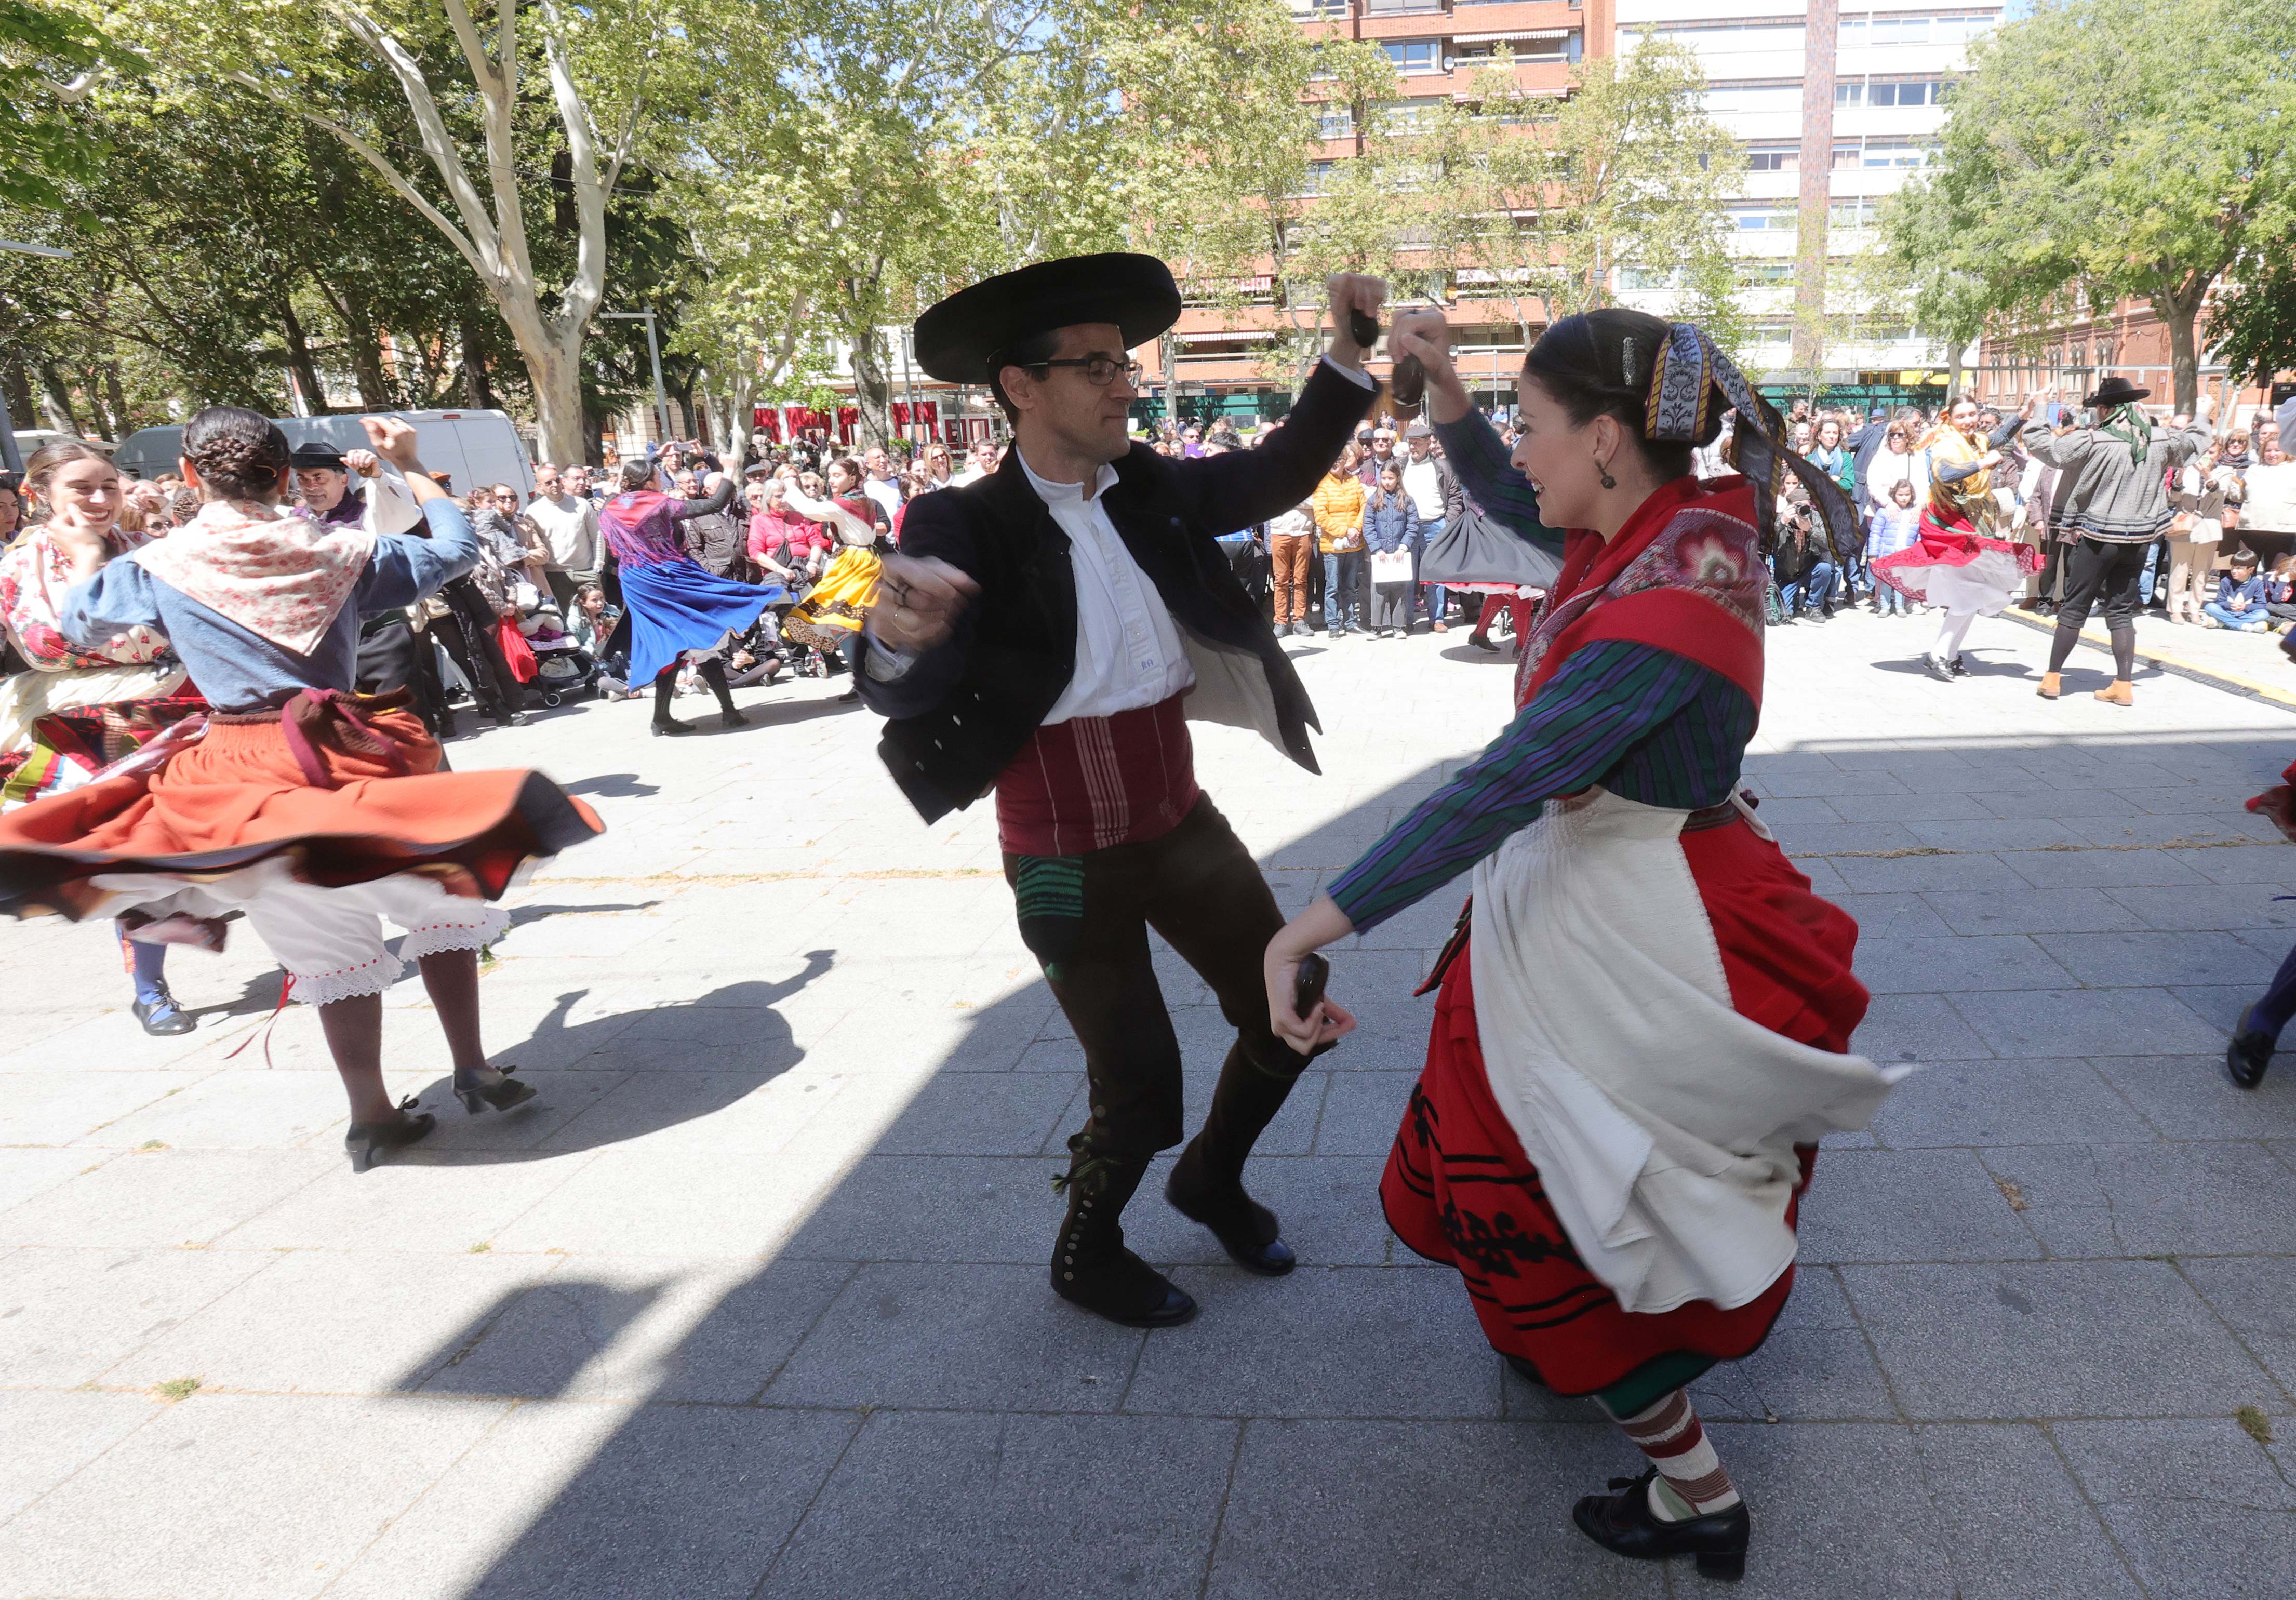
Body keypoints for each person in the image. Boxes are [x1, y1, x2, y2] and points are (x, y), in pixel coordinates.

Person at [1261, 306, 1895, 1582]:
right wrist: (1445, 390)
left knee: (1561, 1191)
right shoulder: (1684, 522)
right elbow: (1511, 490)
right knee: (1574, 1174)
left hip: (1637, 911)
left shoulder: (1659, 610)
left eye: (1534, 425)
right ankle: (1584, 1369)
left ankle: (1696, 1495)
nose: (1518, 451)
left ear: (1606, 438)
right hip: (1631, 877)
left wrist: (1304, 929)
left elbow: (1499, 785)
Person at [857, 254, 1382, 1329]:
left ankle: (1210, 1181)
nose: (1123, 384)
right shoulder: (962, 523)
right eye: (1093, 367)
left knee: (1291, 1000)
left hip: (1178, 819)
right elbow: (893, 679)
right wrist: (895, 637)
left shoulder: (1147, 487)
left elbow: (1278, 469)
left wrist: (1349, 346)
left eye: (1123, 362)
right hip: (1056, 852)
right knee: (1138, 1084)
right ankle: (1085, 1251)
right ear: (1019, 386)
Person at [0, 410, 602, 1169]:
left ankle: (372, 1115)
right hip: (349, 749)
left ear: (191, 477)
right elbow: (453, 551)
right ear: (284, 475)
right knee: (443, 893)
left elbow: (79, 625)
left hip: (237, 770)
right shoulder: (342, 549)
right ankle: (474, 1067)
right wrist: (413, 466)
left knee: (323, 942)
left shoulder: (159, 563)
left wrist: (88, 549)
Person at [0, 439, 208, 1035]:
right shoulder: (22, 563)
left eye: (109, 487)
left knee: (183, 849)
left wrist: (131, 637)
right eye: (82, 488)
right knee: (131, 858)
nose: (99, 499)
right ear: (40, 495)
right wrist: (107, 589)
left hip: (173, 717)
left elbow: (179, 624)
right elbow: (48, 643)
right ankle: (151, 988)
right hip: (89, 734)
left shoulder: (147, 548)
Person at [2023, 378, 2212, 705]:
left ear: (2104, 409)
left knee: (2074, 607)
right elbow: (2196, 443)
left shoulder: (2093, 440)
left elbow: (2047, 449)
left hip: (2096, 539)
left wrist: (2041, 407)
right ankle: (2124, 685)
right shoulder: (2162, 439)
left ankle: (2053, 679)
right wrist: (2203, 413)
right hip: (2139, 540)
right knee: (2121, 611)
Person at [596, 460, 783, 735]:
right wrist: (729, 473)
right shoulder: (659, 503)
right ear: (649, 481)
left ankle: (668, 717)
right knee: (699, 635)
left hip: (636, 583)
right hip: (668, 576)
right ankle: (725, 712)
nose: (661, 481)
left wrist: (615, 491)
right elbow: (711, 505)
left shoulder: (609, 508)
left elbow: (613, 511)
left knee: (672, 644)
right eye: (657, 477)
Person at [1871, 396, 2042, 682]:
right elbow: (1946, 473)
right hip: (1946, 525)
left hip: (1966, 522)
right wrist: (1984, 463)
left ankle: (1946, 655)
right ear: (1950, 417)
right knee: (1968, 593)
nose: (1968, 421)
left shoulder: (1973, 439)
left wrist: (2021, 417)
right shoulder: (1947, 442)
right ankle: (1939, 655)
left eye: (1973, 414)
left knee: (1973, 593)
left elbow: (1996, 438)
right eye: (1961, 416)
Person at [526, 463, 601, 613]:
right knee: (566, 618)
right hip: (556, 575)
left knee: (595, 616)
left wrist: (598, 566)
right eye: (549, 483)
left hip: (586, 571)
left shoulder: (582, 504)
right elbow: (534, 545)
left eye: (557, 480)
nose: (555, 485)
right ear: (540, 486)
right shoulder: (532, 512)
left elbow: (597, 536)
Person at [1312, 448, 1366, 637]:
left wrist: (1355, 530)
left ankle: (1351, 621)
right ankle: (1333, 623)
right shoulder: (1322, 485)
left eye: (1340, 459)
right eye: (1332, 459)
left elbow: (1363, 507)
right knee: (1333, 586)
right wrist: (1345, 531)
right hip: (1332, 545)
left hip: (1353, 544)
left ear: (1346, 461)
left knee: (1351, 586)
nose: (1336, 463)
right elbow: (1321, 516)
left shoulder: (1354, 481)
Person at [1363, 463, 1421, 637]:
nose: (1387, 482)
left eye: (1391, 478)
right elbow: (1368, 526)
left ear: (1398, 479)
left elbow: (1413, 525)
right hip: (1380, 554)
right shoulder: (1374, 500)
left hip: (1399, 553)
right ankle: (1377, 627)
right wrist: (1376, 548)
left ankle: (1398, 626)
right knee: (1378, 591)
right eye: (1384, 478)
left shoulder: (1407, 500)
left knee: (1399, 590)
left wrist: (1404, 546)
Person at [1866, 479, 1922, 616]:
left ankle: (1900, 606)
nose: (1904, 498)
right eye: (1900, 494)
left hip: (1905, 555)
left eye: (1907, 495)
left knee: (1901, 581)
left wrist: (1917, 555)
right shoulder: (1884, 512)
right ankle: (1884, 606)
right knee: (1886, 581)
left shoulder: (1915, 514)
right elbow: (1875, 534)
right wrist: (1873, 554)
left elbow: (1919, 537)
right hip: (1887, 553)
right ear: (1894, 495)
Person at [1265, 500, 1317, 638]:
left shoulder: (1307, 480)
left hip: (1304, 532)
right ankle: (1280, 622)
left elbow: (1316, 502)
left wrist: (1291, 500)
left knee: (1301, 580)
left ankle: (1299, 620)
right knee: (1280, 580)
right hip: (1279, 533)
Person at [2201, 547, 2270, 630]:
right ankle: (2243, 626)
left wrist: (2245, 607)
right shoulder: (2226, 581)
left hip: (2246, 613)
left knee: (2264, 614)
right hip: (2228, 612)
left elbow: (2262, 605)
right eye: (2233, 567)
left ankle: (2224, 623)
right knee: (2210, 607)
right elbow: (2219, 601)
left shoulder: (2257, 583)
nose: (2234, 571)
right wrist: (2230, 605)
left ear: (2251, 570)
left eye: (2239, 568)